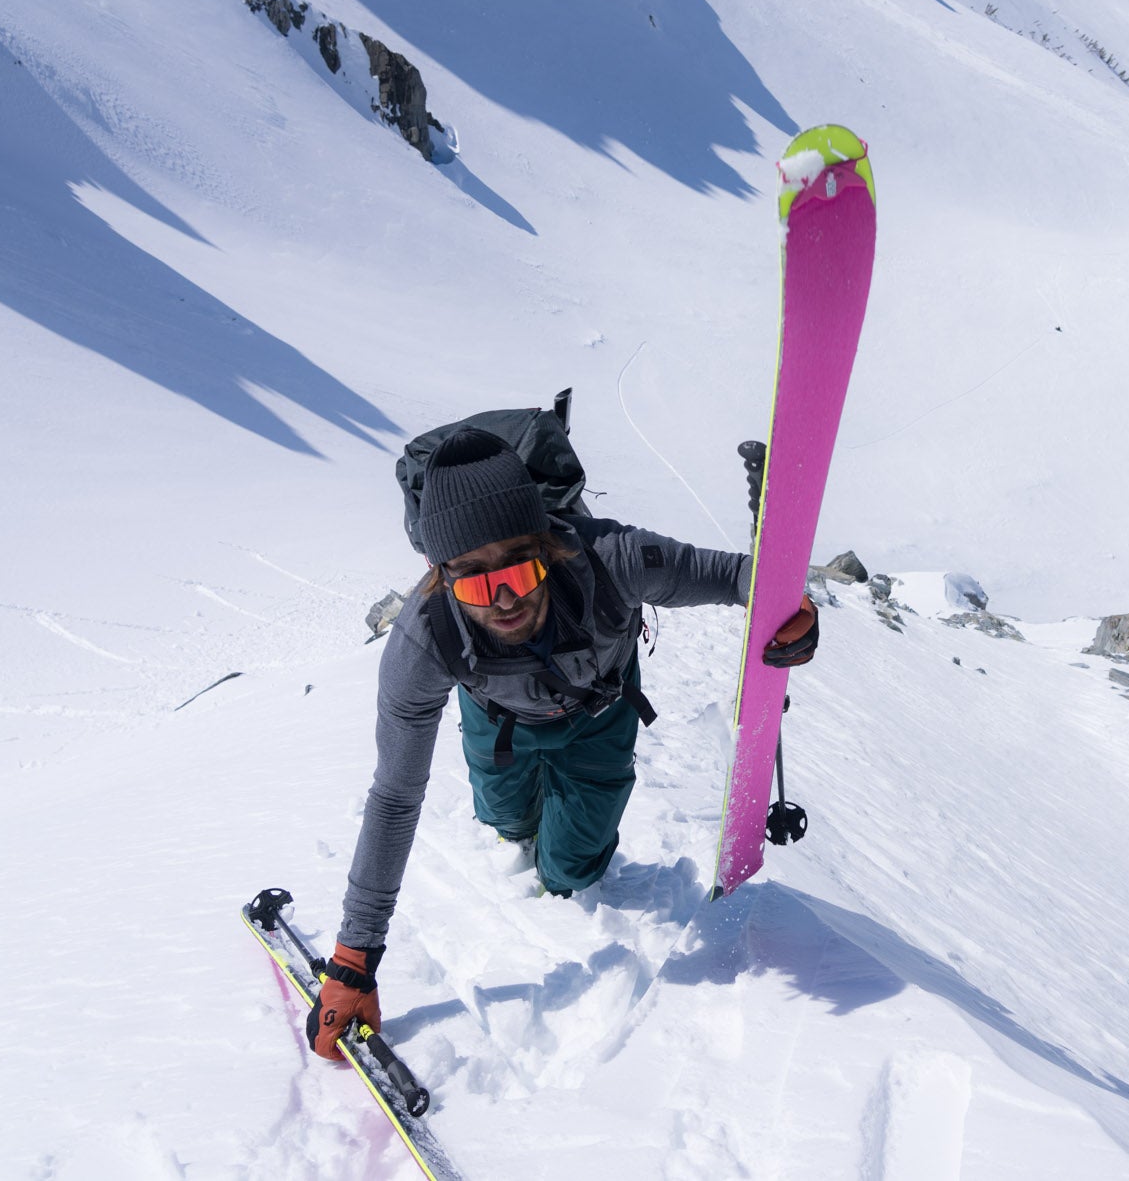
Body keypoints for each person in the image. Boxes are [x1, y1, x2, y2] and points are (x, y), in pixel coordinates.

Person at [307, 427, 818, 1059]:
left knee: (570, 870)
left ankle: (560, 853)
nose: (503, 597)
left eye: (520, 565)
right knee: (502, 816)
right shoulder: (424, 641)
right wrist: (355, 957)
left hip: (597, 715)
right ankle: (518, 825)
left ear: (547, 545)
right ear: (440, 578)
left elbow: (743, 582)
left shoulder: (612, 560)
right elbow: (394, 797)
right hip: (497, 721)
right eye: (471, 581)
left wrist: (790, 615)